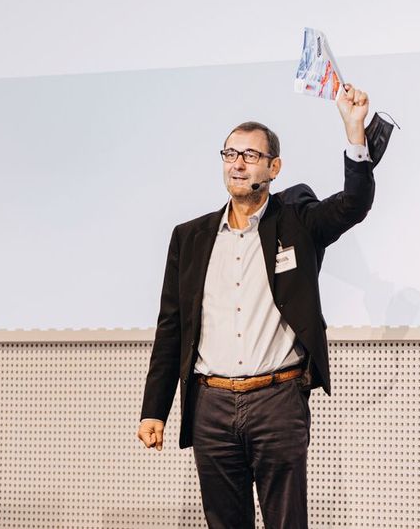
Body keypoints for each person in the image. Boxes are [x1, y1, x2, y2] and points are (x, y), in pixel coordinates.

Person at [136, 83, 376, 529]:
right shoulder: (189, 237)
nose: (238, 164)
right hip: (210, 404)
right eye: (230, 154)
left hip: (277, 401)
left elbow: (353, 205)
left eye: (250, 155)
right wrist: (155, 408)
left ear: (274, 166)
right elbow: (172, 328)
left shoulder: (297, 220)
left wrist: (354, 133)